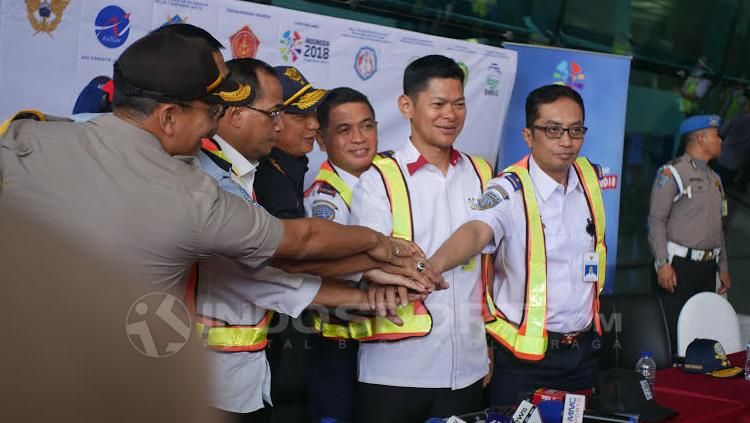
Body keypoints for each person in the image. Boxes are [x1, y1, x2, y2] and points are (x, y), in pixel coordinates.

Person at [0, 30, 409, 299]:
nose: (218, 121)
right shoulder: (192, 197)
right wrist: (377, 243)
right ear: (168, 117)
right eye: (212, 109)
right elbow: (299, 243)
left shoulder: (23, 137)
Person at [196, 60, 426, 422]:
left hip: (241, 376)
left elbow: (265, 276)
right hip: (206, 381)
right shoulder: (214, 178)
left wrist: (366, 290)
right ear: (235, 114)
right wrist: (378, 251)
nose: (284, 122)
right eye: (277, 112)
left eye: (367, 126)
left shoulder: (249, 173)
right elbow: (292, 253)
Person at [429, 84, 607, 405]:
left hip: (584, 352)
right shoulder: (507, 189)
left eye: (575, 130)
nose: (566, 141)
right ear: (528, 135)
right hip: (525, 361)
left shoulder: (588, 177)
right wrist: (432, 266)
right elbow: (475, 231)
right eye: (553, 130)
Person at [349, 55, 494, 423]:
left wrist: (486, 348)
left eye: (459, 104)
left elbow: (487, 264)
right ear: (407, 106)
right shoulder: (379, 178)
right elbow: (371, 262)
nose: (451, 114)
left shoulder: (481, 173)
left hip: (468, 368)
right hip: (396, 370)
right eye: (439, 104)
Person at [303, 87, 379, 422]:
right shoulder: (325, 195)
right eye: (344, 130)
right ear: (321, 139)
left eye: (367, 126)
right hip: (340, 347)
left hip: (389, 345)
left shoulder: (389, 181)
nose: (359, 139)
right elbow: (334, 266)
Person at [648, 114, 731, 351]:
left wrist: (722, 267)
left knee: (702, 332)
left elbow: (718, 226)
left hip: (707, 267)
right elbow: (656, 220)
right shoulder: (672, 173)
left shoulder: (715, 179)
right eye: (717, 135)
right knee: (673, 332)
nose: (721, 141)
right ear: (701, 138)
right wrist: (662, 263)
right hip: (678, 266)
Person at [254, 65, 326, 218]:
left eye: (314, 112)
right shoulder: (266, 178)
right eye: (300, 116)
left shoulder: (291, 163)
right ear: (272, 118)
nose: (315, 124)